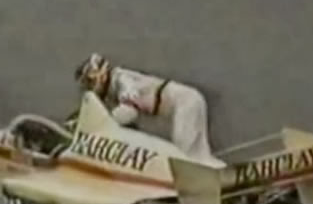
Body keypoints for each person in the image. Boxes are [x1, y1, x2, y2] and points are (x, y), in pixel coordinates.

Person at [73, 53, 225, 167]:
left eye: (90, 82)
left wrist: (104, 123)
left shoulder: (122, 79)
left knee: (183, 157)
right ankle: (220, 171)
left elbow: (130, 112)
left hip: (185, 104)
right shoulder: (115, 86)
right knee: (198, 154)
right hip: (190, 99)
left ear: (101, 76)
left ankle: (201, 181)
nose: (90, 87)